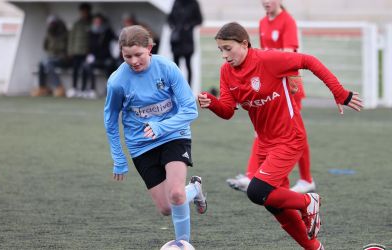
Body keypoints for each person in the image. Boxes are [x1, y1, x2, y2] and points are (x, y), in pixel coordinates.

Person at [198, 22, 362, 250]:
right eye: (221, 50)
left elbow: (309, 61)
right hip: (265, 144)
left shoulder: (268, 60)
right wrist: (211, 102)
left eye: (228, 48)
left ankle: (308, 201)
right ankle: (315, 248)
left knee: (257, 191)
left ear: (244, 44)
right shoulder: (226, 72)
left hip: (289, 138)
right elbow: (227, 111)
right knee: (275, 204)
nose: (225, 55)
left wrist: (340, 93)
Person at [103, 25, 207, 245]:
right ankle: (195, 189)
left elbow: (190, 109)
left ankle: (182, 244)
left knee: (176, 194)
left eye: (138, 54)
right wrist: (119, 158)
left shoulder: (167, 69)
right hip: (141, 145)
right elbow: (110, 120)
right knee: (166, 208)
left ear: (149, 48)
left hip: (174, 135)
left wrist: (162, 127)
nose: (133, 61)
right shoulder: (117, 82)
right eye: (127, 56)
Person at [226, 0, 315, 193]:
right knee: (264, 130)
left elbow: (289, 55)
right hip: (272, 86)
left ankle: (304, 179)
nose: (266, 2)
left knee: (293, 133)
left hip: (288, 86)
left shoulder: (288, 22)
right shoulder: (262, 22)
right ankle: (255, 175)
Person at [31, 15, 69, 97]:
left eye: (52, 24)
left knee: (48, 63)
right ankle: (42, 87)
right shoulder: (49, 33)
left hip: (64, 58)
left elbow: (69, 47)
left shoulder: (64, 33)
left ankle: (59, 87)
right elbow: (45, 46)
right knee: (41, 63)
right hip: (53, 57)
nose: (51, 26)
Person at [81, 13, 116, 99]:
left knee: (110, 65)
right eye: (95, 22)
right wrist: (89, 55)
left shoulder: (108, 32)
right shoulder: (90, 32)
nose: (97, 23)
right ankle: (91, 89)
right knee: (86, 65)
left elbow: (114, 43)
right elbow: (89, 46)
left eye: (99, 22)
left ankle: (109, 90)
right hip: (95, 59)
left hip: (106, 58)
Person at [168, 0, 203, 85]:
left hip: (187, 39)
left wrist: (189, 25)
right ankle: (176, 86)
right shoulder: (176, 2)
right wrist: (173, 26)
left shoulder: (194, 3)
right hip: (176, 39)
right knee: (175, 66)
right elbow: (170, 18)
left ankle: (188, 88)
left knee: (188, 64)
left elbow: (199, 20)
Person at [66, 3, 92, 98]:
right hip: (76, 51)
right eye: (82, 12)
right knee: (75, 70)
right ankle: (74, 88)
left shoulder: (91, 23)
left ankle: (83, 89)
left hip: (86, 52)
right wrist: (70, 51)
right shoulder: (76, 24)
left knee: (85, 69)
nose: (84, 13)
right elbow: (71, 38)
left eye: (85, 11)